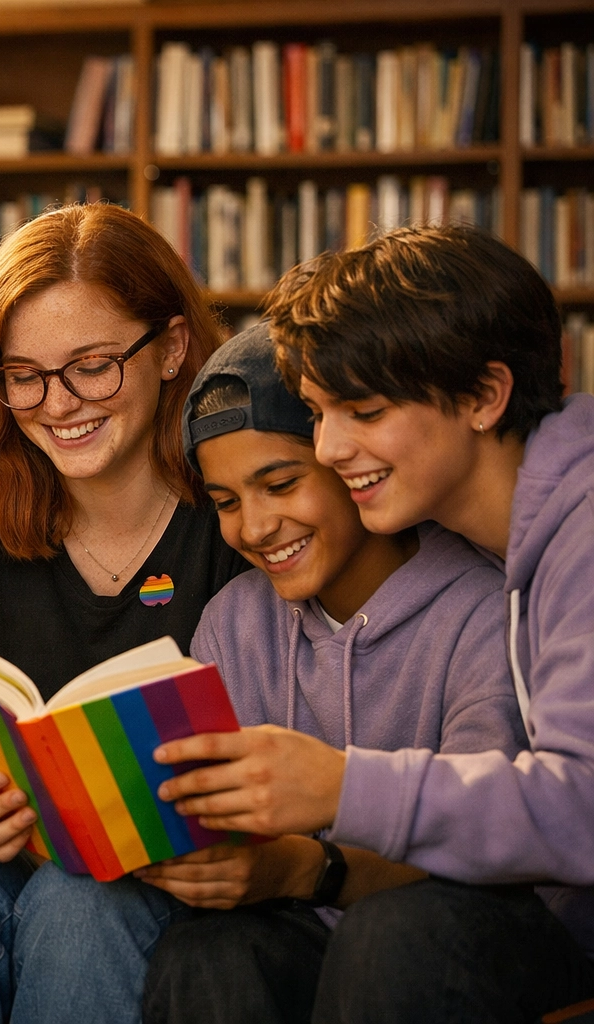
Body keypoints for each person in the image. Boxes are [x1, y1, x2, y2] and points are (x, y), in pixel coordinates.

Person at [154, 225, 594, 1021]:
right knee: (211, 952)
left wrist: (338, 786)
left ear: (485, 396)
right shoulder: (518, 541)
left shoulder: (573, 536)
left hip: (533, 929)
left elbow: (580, 810)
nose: (330, 447)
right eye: (319, 414)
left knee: (398, 937)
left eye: (363, 411)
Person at [0, 202, 244, 1024]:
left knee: (81, 895)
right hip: (19, 851)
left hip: (180, 868)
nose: (58, 404)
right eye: (23, 375)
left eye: (93, 366)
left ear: (171, 347)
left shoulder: (238, 508)